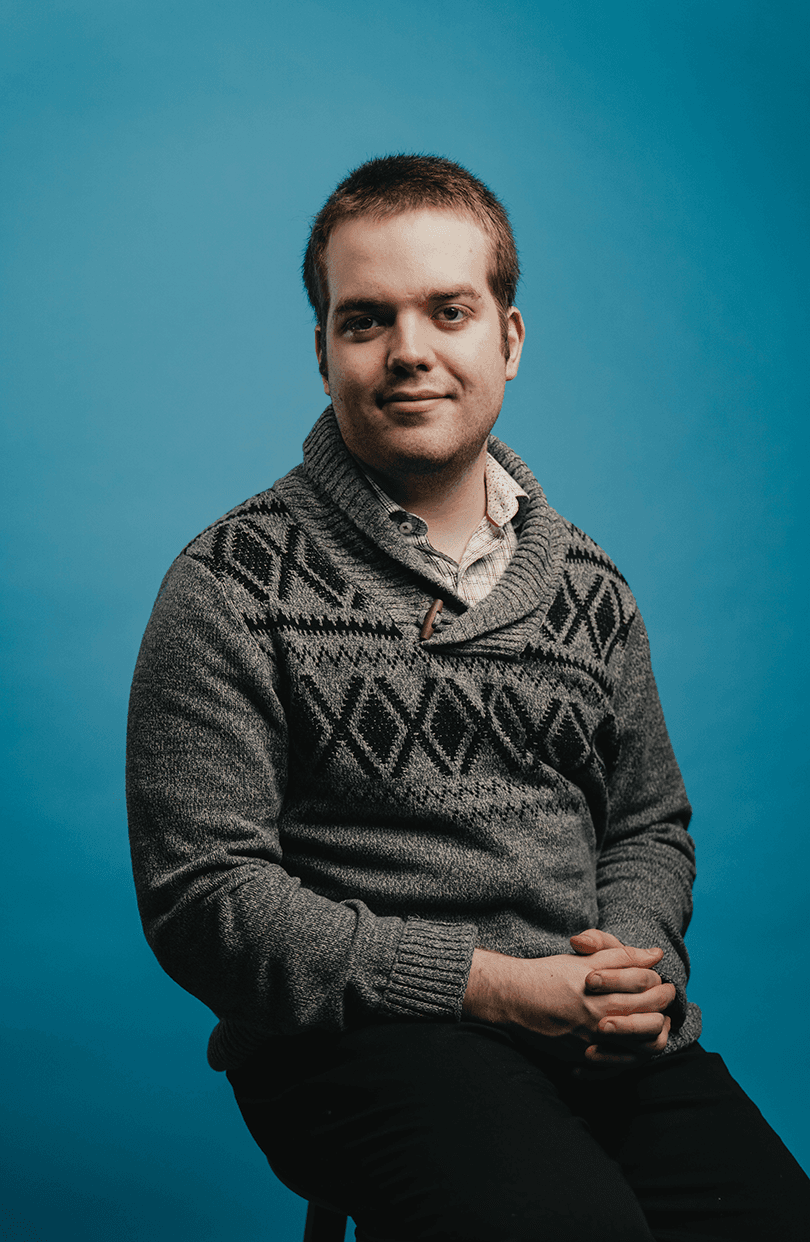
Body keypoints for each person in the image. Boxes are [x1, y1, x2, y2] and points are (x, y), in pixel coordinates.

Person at [126, 154, 809, 1241]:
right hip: (353, 1042)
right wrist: (486, 985)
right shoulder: (228, 583)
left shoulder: (590, 588)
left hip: (590, 1034)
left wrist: (635, 967)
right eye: (366, 321)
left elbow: (646, 823)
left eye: (449, 310)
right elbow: (204, 900)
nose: (410, 352)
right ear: (323, 353)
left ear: (510, 339)